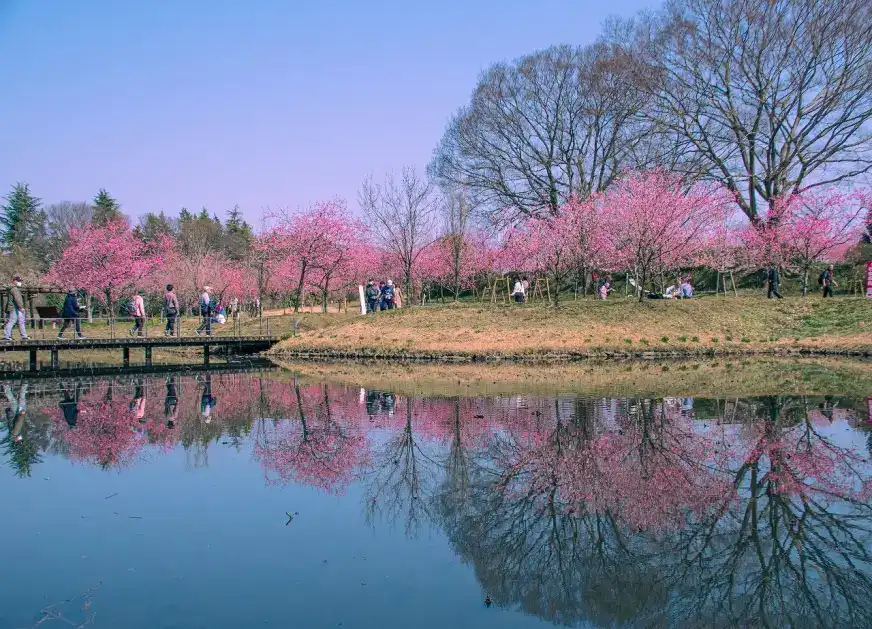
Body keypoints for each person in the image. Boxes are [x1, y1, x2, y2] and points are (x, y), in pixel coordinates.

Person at [4, 275, 28, 341]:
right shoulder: (15, 289)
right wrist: (21, 307)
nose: (19, 282)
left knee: (17, 321)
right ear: (14, 281)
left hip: (13, 307)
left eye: (20, 281)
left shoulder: (12, 288)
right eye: (18, 281)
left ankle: (23, 336)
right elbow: (18, 299)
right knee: (12, 321)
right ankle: (7, 336)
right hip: (14, 308)